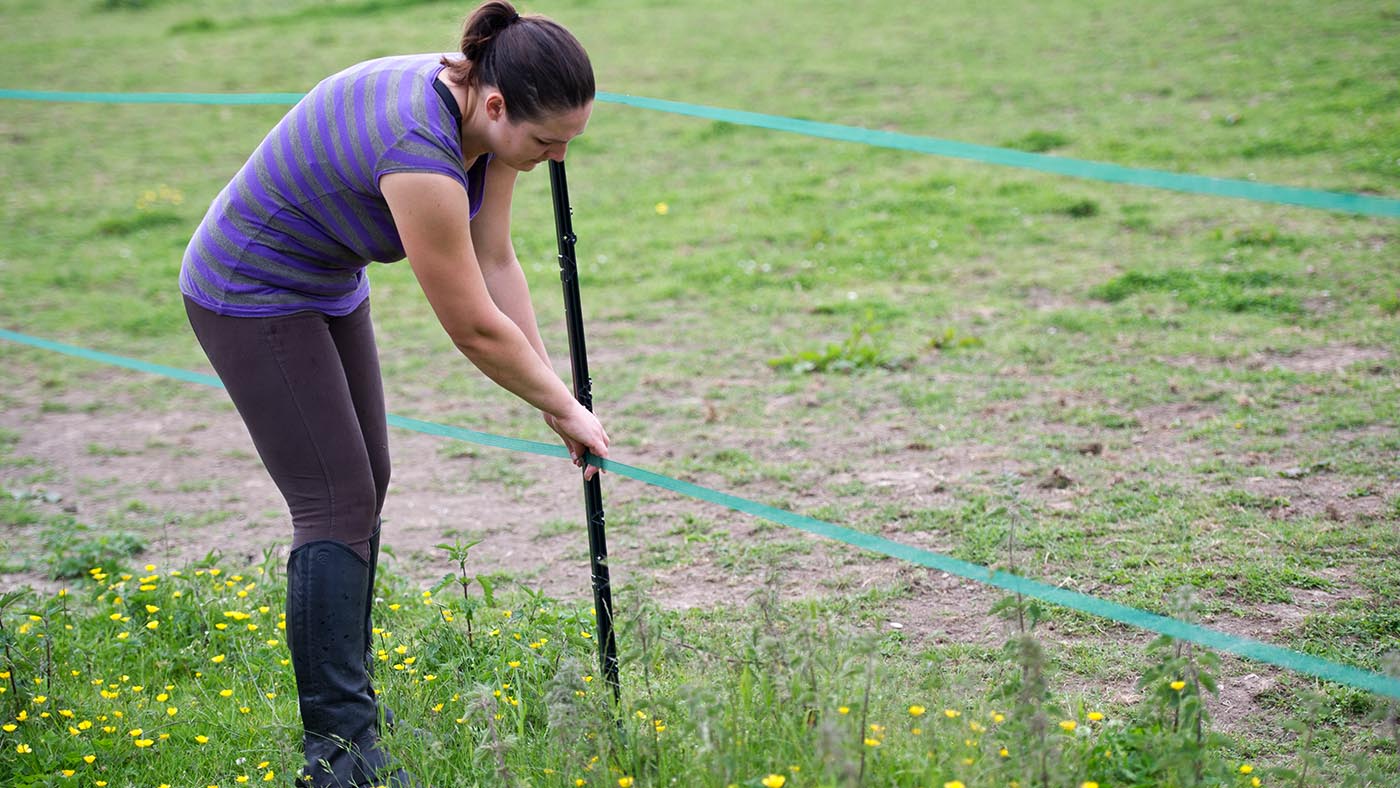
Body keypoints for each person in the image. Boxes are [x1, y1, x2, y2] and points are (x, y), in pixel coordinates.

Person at [178, 2, 610, 785]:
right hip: (250, 287)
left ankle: (351, 719)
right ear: (496, 105)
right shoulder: (419, 148)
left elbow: (496, 262)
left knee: (365, 482)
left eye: (569, 141)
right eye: (548, 142)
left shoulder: (489, 119)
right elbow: (472, 326)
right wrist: (559, 405)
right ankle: (341, 758)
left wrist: (556, 397)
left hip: (326, 279)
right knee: (334, 498)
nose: (557, 158)